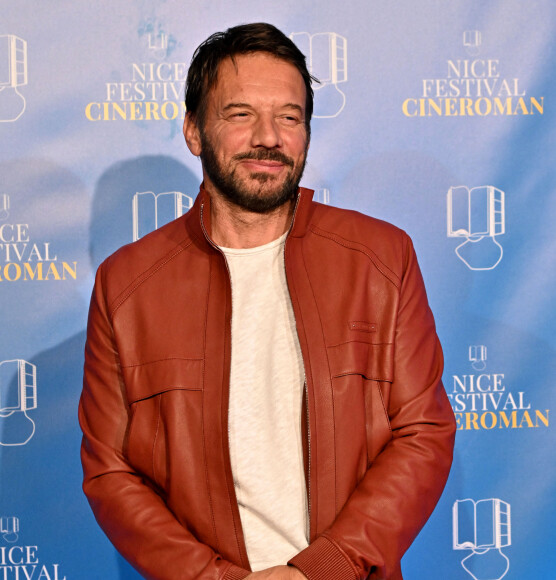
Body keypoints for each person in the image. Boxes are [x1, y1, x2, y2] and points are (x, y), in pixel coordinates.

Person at [79, 22, 456, 580]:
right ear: (193, 131)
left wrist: (322, 568)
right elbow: (110, 472)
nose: (269, 137)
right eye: (240, 114)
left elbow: (423, 432)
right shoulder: (125, 286)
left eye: (289, 116)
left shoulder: (381, 258)